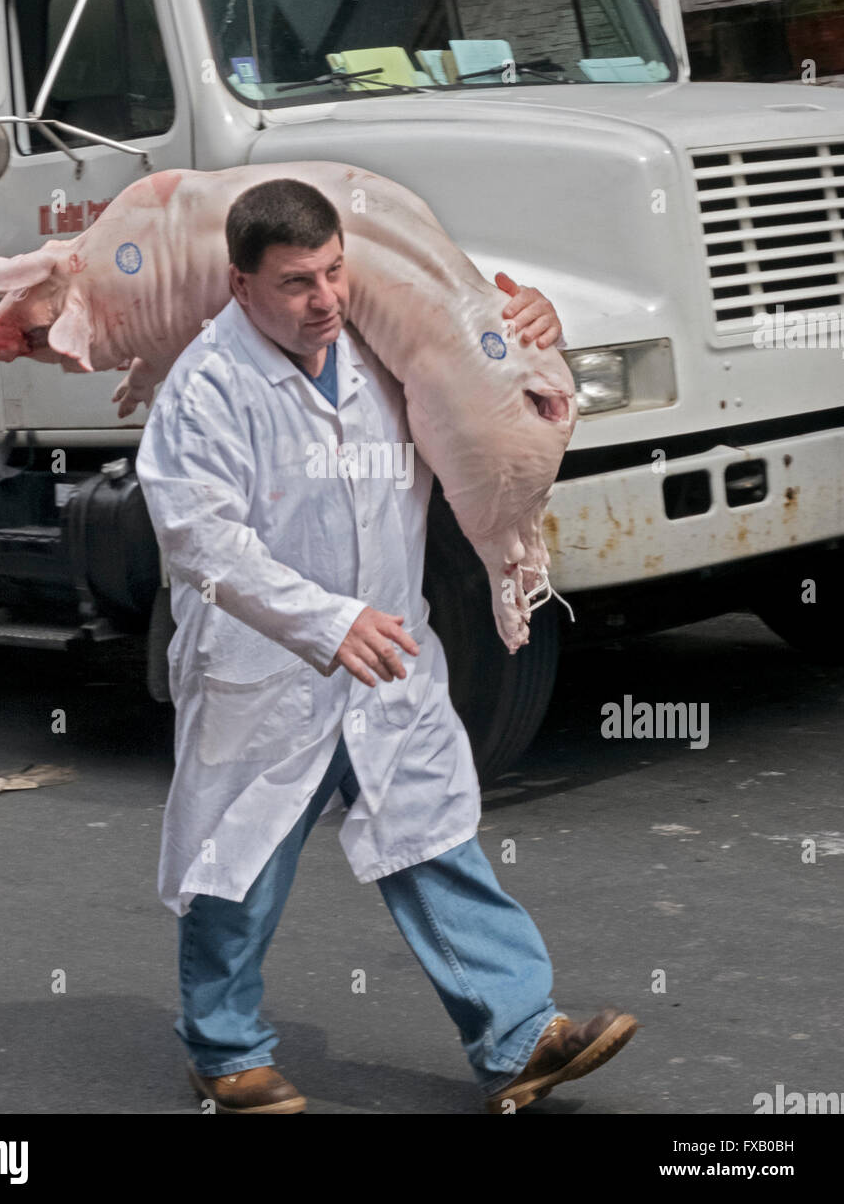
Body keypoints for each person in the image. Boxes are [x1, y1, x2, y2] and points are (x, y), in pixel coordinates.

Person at [135, 178, 638, 1115]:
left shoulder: (379, 342)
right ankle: (223, 1049)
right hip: (266, 666)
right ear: (241, 287)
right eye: (295, 283)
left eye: (333, 272)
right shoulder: (208, 386)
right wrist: (324, 622)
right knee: (240, 860)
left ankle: (518, 1034)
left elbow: (485, 369)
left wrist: (526, 322)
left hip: (392, 647)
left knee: (432, 836)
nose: (324, 298)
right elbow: (200, 539)